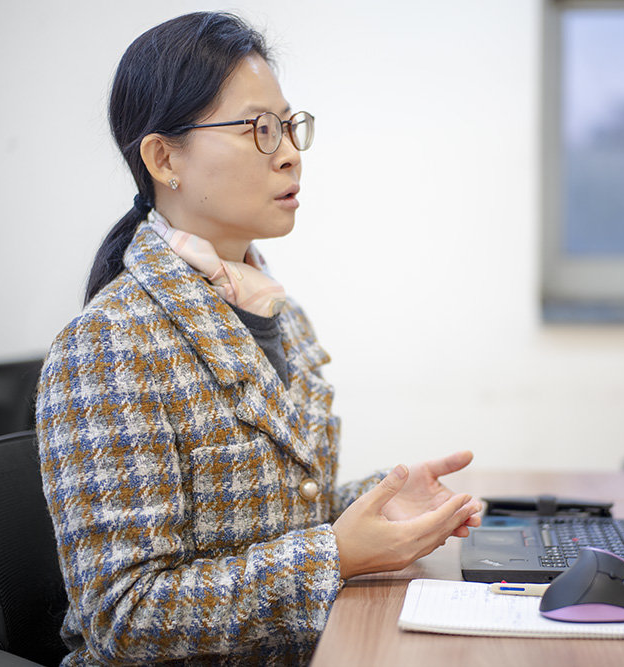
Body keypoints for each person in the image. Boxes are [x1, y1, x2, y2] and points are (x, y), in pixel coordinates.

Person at [35, 11, 482, 666]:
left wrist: (381, 497)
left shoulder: (274, 306)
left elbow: (272, 511)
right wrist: (337, 554)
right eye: (258, 129)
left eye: (289, 125)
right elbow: (123, 614)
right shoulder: (108, 343)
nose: (290, 151)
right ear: (164, 158)